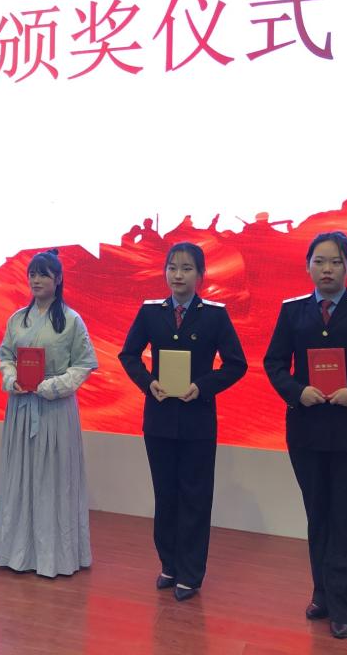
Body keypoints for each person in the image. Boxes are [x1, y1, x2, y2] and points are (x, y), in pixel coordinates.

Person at [263, 231, 347, 640]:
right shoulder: (293, 311)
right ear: (308, 266)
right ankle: (322, 594)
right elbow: (274, 363)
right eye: (319, 261)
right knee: (319, 516)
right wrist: (296, 391)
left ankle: (343, 608)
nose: (327, 269)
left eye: (336, 262)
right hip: (306, 433)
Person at [118, 242, 247, 601]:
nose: (178, 275)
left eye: (187, 268)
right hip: (159, 419)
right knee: (166, 494)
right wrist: (148, 383)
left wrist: (202, 387)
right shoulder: (150, 312)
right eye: (172, 268)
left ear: (201, 275)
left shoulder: (214, 316)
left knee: (195, 497)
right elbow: (128, 355)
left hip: (197, 422)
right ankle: (169, 564)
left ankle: (191, 572)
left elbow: (236, 364)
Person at [0, 250, 98, 577]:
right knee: (21, 477)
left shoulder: (71, 320)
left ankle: (56, 557)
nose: (36, 280)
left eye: (43, 274)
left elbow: (83, 365)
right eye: (32, 274)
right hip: (22, 409)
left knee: (54, 480)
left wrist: (52, 386)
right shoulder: (17, 319)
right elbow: (5, 357)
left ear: (58, 279)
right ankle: (17, 552)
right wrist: (12, 378)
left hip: (55, 410)